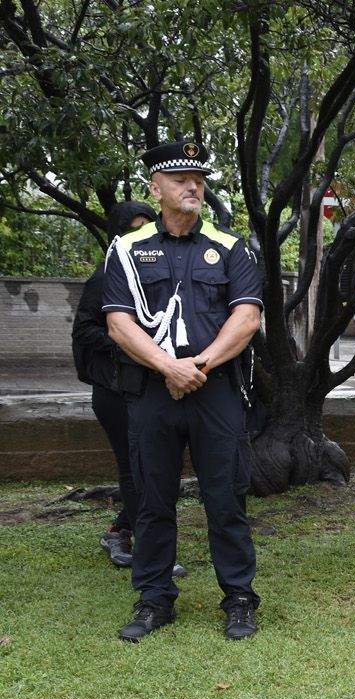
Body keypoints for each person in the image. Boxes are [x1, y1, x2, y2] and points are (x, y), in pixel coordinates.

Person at [101, 139, 263, 642]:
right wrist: (167, 368)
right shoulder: (127, 249)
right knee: (152, 499)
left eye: (198, 177)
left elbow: (248, 315)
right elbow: (118, 323)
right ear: (156, 188)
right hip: (152, 392)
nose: (192, 186)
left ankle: (238, 598)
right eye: (179, 179)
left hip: (213, 390)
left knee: (226, 498)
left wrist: (197, 365)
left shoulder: (231, 247)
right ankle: (154, 600)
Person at [72, 200, 186, 580]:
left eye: (147, 228)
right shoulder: (106, 277)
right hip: (115, 390)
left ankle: (120, 531)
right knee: (135, 469)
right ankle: (152, 553)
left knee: (155, 468)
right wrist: (129, 345)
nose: (141, 237)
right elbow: (85, 330)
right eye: (132, 229)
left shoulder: (155, 276)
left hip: (148, 388)